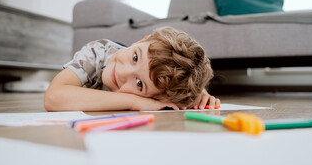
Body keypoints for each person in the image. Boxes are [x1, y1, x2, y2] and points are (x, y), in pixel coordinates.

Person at [44, 27, 220, 111]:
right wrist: (134, 101)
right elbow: (53, 98)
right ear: (140, 41)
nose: (121, 73)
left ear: (156, 98)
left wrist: (196, 94)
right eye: (135, 57)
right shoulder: (97, 52)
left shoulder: (160, 87)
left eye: (139, 84)